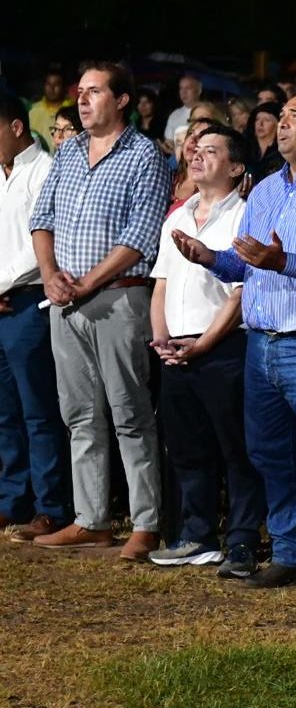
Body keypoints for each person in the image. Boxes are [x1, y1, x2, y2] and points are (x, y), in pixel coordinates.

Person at [170, 93, 296, 601]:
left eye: (295, 117)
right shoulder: (263, 191)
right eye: (279, 118)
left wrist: (283, 262)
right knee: (269, 454)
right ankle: (290, 553)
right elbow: (249, 263)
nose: (281, 126)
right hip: (262, 344)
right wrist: (212, 258)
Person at [28, 62, 170, 561]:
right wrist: (50, 275)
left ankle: (146, 522)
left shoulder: (144, 156)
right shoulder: (66, 154)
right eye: (80, 92)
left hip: (118, 299)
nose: (83, 100)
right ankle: (92, 520)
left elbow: (141, 234)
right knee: (79, 415)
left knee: (129, 412)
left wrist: (87, 282)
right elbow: (41, 219)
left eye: (94, 92)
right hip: (63, 300)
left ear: (122, 100)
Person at [146, 124, 264, 576]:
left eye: (210, 151)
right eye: (195, 150)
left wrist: (203, 344)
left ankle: (241, 540)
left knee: (236, 448)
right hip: (175, 349)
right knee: (187, 448)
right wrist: (162, 341)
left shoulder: (245, 215)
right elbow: (161, 284)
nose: (196, 156)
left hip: (223, 347)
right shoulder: (178, 216)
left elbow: (239, 295)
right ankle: (197, 535)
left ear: (236, 167)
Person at [0, 91, 70, 542]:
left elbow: (41, 243)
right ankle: (12, 500)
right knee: (5, 411)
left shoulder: (44, 171)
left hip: (27, 300)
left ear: (16, 127)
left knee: (38, 409)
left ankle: (52, 505)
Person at [28, 71, 72, 153]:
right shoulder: (34, 110)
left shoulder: (72, 110)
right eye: (49, 84)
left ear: (64, 87)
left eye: (56, 84)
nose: (52, 88)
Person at [164, 74, 202, 151]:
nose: (183, 92)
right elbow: (169, 141)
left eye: (188, 88)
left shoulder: (208, 113)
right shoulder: (174, 115)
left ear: (199, 91)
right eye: (181, 88)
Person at [246, 102, 283, 182]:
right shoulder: (245, 151)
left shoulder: (282, 155)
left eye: (267, 120)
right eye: (257, 119)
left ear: (278, 125)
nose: (260, 124)